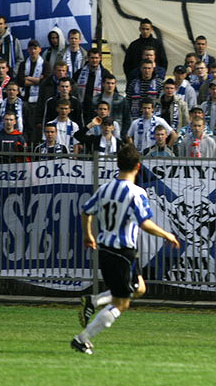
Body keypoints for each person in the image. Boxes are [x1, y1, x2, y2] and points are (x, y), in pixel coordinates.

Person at [71, 144, 180, 354]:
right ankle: (82, 338)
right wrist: (166, 234)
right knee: (122, 303)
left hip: (105, 249)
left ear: (118, 164)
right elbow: (144, 223)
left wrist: (88, 234)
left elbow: (86, 211)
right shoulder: (136, 192)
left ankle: (93, 301)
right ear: (138, 166)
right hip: (123, 252)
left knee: (139, 288)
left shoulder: (105, 188)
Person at [17, 39, 51, 143]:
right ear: (27, 50)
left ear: (40, 50)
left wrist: (29, 78)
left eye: (35, 48)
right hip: (25, 100)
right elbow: (21, 81)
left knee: (36, 126)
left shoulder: (45, 64)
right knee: (25, 124)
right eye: (31, 49)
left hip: (38, 101)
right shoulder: (23, 64)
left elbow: (45, 81)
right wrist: (37, 80)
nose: (33, 51)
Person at [73, 48, 110, 121]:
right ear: (88, 58)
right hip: (81, 108)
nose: (94, 60)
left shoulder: (105, 74)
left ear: (100, 58)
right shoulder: (79, 73)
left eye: (96, 58)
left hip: (97, 109)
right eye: (92, 58)